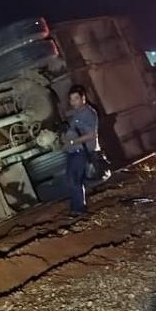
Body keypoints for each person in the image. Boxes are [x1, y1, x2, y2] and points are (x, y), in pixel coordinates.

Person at [63, 84, 100, 217]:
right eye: (71, 99)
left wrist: (73, 141)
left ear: (83, 98)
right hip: (73, 150)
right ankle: (75, 207)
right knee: (71, 179)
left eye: (76, 99)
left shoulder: (89, 113)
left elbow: (91, 134)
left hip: (81, 151)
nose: (73, 102)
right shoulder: (76, 113)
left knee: (74, 180)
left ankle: (79, 209)